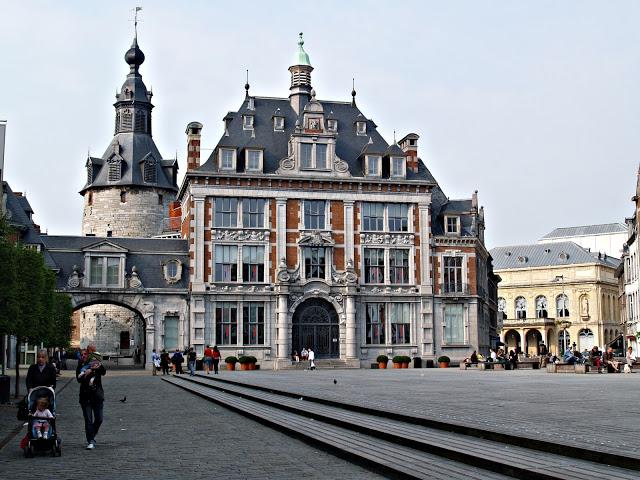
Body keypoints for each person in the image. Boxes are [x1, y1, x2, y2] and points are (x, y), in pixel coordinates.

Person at [76, 344, 106, 450]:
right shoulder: (81, 365)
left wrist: (93, 370)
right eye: (83, 354)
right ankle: (90, 440)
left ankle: (91, 434)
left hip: (97, 396)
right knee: (88, 419)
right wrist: (85, 373)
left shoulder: (96, 362)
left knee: (99, 419)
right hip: (85, 396)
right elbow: (79, 379)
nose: (85, 355)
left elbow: (103, 371)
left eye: (87, 353)